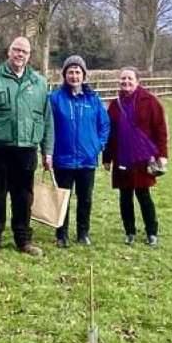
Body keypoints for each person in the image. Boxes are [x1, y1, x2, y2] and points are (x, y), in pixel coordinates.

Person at [0, 36, 53, 257]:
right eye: (17, 50)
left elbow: (47, 120)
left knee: (24, 197)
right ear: (9, 52)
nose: (20, 54)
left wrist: (48, 151)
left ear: (29, 55)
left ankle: (23, 240)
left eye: (24, 51)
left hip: (26, 150)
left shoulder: (39, 83)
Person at [102, 67, 168, 247]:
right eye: (123, 79)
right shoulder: (115, 105)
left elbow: (160, 130)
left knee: (143, 195)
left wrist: (162, 155)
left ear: (137, 81)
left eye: (130, 78)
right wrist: (107, 157)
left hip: (143, 158)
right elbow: (110, 133)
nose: (126, 82)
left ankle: (151, 232)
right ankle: (129, 231)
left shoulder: (150, 102)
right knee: (125, 197)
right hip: (122, 157)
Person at [49, 55, 110, 248]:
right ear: (64, 75)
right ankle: (62, 234)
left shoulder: (93, 99)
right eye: (70, 72)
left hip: (87, 159)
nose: (74, 76)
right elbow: (47, 126)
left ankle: (83, 233)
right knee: (62, 198)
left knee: (85, 198)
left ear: (84, 75)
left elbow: (105, 125)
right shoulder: (55, 98)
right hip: (62, 158)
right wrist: (48, 151)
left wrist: (97, 145)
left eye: (78, 72)